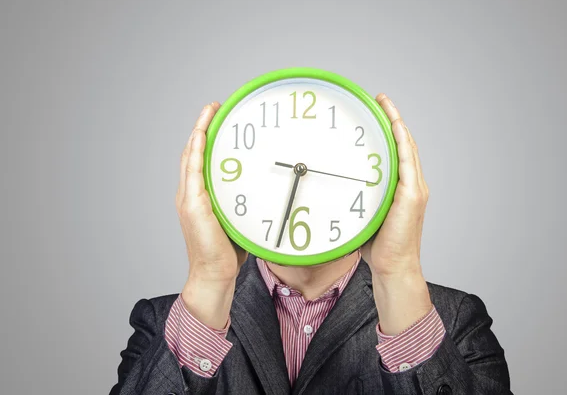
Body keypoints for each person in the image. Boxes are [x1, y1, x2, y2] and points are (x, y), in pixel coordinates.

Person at [110, 94, 511, 395]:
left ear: (387, 184)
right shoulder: (166, 323)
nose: (302, 171)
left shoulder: (452, 320)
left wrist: (399, 273)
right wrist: (209, 278)